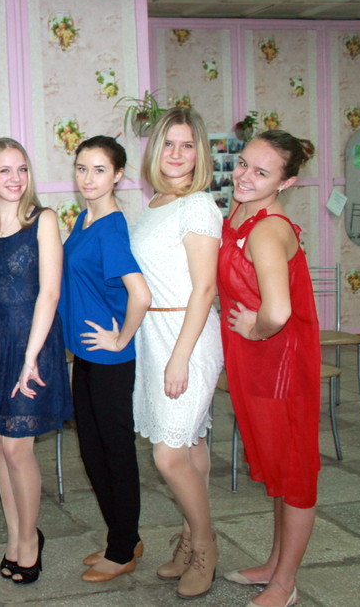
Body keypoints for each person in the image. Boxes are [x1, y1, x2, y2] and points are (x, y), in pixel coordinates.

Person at [218, 130, 320, 607]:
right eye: (243, 163)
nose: (244, 176)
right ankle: (276, 564)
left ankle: (285, 584)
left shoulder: (267, 229)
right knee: (279, 467)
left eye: (261, 172)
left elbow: (277, 312)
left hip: (280, 365)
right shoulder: (241, 212)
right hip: (255, 364)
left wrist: (254, 329)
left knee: (294, 473)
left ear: (286, 182)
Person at [130, 108, 223, 598]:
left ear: (199, 153)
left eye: (187, 146)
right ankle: (188, 539)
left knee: (168, 455)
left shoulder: (199, 206)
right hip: (155, 333)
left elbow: (205, 288)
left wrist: (181, 357)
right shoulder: (156, 203)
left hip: (187, 335)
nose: (177, 154)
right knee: (191, 447)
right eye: (169, 143)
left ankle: (205, 545)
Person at [0, 138, 72, 585]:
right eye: (4, 170)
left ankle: (30, 539)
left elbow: (49, 292)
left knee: (18, 447)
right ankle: (15, 534)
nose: (15, 179)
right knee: (0, 443)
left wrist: (31, 357)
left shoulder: (43, 220)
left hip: (33, 343)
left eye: (22, 169)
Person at [59, 135, 152, 583]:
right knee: (92, 452)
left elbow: (141, 294)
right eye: (82, 168)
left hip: (109, 361)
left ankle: (122, 550)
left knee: (114, 453)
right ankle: (124, 535)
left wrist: (121, 339)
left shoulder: (111, 227)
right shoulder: (84, 218)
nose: (88, 178)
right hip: (86, 356)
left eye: (99, 170)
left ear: (117, 175)